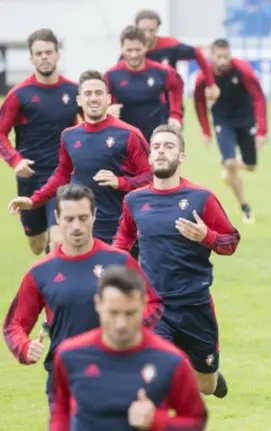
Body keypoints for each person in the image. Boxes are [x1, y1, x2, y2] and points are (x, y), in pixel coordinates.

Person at [3, 184, 163, 407]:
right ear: (57, 218)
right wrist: (24, 347)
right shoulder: (40, 272)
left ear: (94, 216)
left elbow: (152, 302)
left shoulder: (119, 261)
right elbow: (14, 326)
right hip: (66, 381)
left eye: (83, 217)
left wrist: (130, 331)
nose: (76, 226)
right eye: (69, 219)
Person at [113, 125, 241, 398]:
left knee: (205, 386)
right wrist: (116, 266)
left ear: (181, 157)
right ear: (149, 157)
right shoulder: (135, 201)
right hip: (154, 305)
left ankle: (211, 378)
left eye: (169, 146)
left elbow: (231, 241)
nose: (161, 151)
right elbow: (125, 235)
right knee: (154, 380)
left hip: (195, 304)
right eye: (156, 146)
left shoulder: (201, 198)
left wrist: (207, 236)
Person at [7, 70, 152, 256]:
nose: (94, 98)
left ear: (109, 99)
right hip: (83, 230)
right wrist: (33, 200)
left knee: (119, 284)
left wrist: (122, 182)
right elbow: (63, 174)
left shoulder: (129, 134)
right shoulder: (69, 135)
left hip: (121, 231)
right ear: (79, 100)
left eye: (99, 93)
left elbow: (150, 178)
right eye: (88, 94)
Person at [50, 266, 207, 430]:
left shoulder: (171, 361)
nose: (121, 324)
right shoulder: (70, 355)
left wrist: (156, 422)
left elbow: (196, 420)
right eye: (113, 313)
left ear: (144, 305)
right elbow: (60, 409)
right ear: (98, 304)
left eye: (130, 313)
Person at [0, 29, 79, 255]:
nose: (44, 57)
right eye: (39, 53)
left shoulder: (73, 91)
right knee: (36, 246)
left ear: (57, 55)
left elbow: (91, 123)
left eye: (48, 52)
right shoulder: (19, 94)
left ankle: (56, 285)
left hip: (64, 175)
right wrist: (15, 161)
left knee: (58, 239)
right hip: (30, 177)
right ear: (31, 58)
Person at [193, 38, 268, 224]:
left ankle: (229, 168)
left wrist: (261, 131)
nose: (223, 60)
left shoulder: (242, 70)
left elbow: (258, 97)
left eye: (226, 56)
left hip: (245, 119)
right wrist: (206, 131)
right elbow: (199, 103)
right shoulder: (204, 77)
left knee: (250, 165)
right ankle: (245, 208)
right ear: (212, 56)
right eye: (219, 57)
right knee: (230, 162)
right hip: (223, 121)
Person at [105, 25, 184, 142]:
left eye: (138, 49)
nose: (133, 55)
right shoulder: (111, 75)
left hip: (156, 137)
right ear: (122, 49)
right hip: (124, 137)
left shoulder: (162, 72)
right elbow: (99, 100)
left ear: (146, 47)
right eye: (129, 50)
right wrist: (108, 109)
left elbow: (177, 86)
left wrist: (175, 115)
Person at [133, 9, 220, 102]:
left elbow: (197, 53)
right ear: (136, 28)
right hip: (141, 101)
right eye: (143, 30)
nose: (147, 34)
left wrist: (211, 84)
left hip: (169, 104)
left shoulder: (169, 45)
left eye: (151, 30)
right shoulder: (131, 50)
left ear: (157, 29)